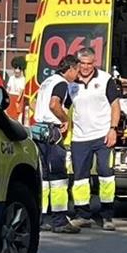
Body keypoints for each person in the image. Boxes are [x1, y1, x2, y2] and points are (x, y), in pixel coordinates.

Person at [66, 48, 121, 230]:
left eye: (90, 64)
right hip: (80, 138)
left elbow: (115, 105)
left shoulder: (105, 79)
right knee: (80, 178)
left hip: (102, 135)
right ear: (78, 63)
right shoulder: (71, 82)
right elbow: (64, 106)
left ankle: (107, 216)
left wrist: (113, 129)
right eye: (83, 64)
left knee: (106, 175)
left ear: (94, 63)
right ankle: (83, 215)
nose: (86, 67)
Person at [31, 56, 81, 233]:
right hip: (52, 132)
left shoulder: (47, 81)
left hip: (39, 131)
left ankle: (41, 218)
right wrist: (64, 118)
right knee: (58, 177)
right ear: (70, 69)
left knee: (43, 178)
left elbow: (34, 102)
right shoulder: (61, 84)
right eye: (77, 70)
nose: (77, 74)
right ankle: (60, 221)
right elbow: (54, 104)